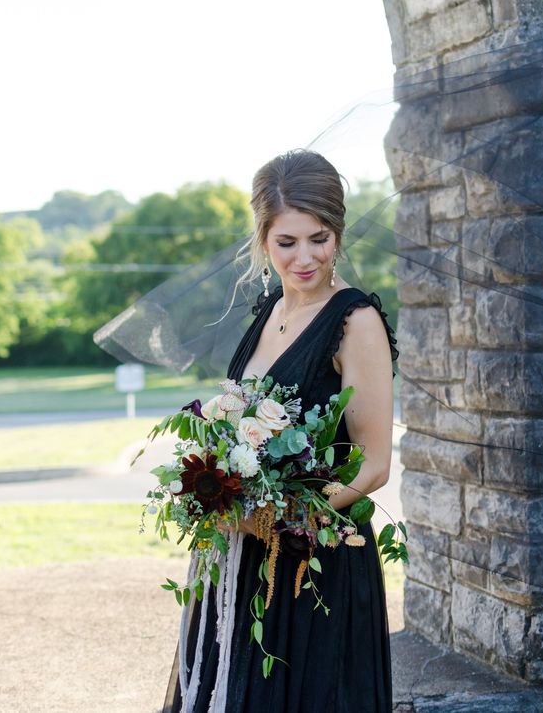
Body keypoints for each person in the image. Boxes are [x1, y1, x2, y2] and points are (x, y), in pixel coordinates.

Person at [162, 148, 399, 713]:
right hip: (242, 559)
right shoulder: (268, 309)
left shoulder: (354, 321)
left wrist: (281, 520)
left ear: (337, 233)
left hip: (314, 563)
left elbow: (373, 464)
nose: (304, 258)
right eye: (286, 243)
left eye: (318, 238)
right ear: (263, 240)